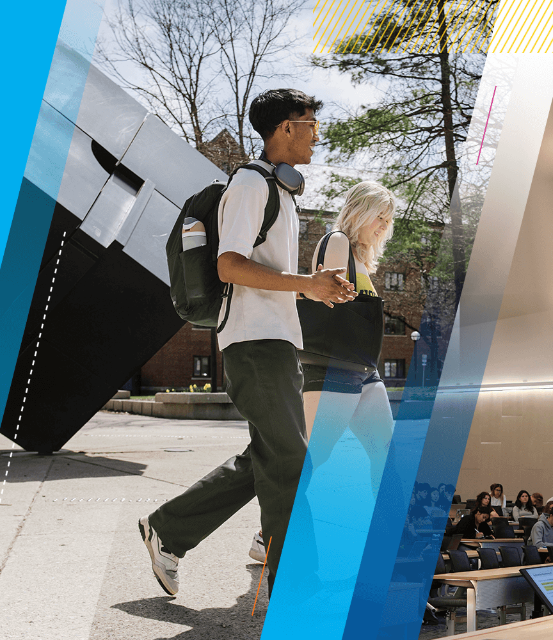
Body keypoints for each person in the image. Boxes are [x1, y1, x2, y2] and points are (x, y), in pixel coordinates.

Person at [139, 89, 356, 595]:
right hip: (253, 343)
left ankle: (167, 530)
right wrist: (306, 284)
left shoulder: (281, 194)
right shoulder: (251, 184)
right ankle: (295, 580)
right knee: (290, 459)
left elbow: (263, 272)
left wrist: (314, 286)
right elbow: (228, 265)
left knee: (269, 455)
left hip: (277, 341)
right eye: (309, 124)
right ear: (284, 128)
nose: (316, 135)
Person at [259, 181, 397, 562]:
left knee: (385, 453)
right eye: (378, 217)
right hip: (333, 366)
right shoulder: (337, 242)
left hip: (362, 370)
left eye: (388, 220)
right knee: (310, 460)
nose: (383, 226)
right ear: (360, 212)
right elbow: (319, 295)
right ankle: (266, 538)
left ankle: (383, 540)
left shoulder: (359, 256)